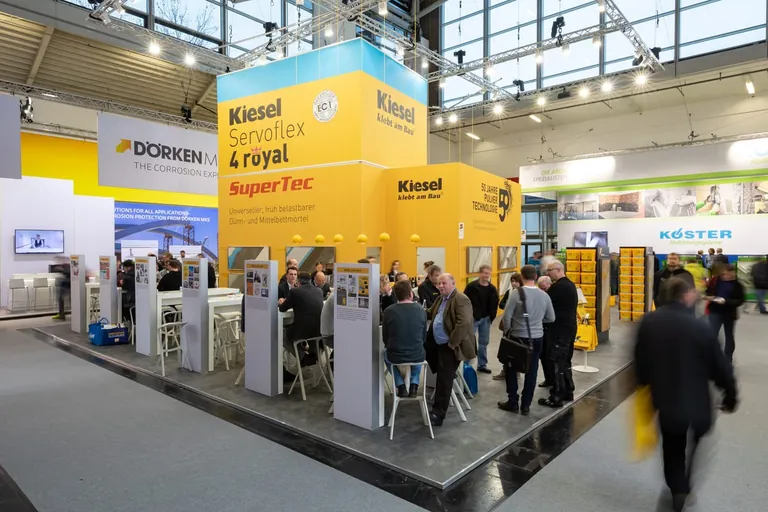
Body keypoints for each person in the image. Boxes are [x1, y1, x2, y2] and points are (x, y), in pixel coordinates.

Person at [634, 278, 738, 512]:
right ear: (685, 296)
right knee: (696, 445)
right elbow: (720, 366)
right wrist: (730, 395)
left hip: (667, 401)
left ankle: (677, 486)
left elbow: (640, 360)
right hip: (698, 402)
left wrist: (644, 388)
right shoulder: (701, 327)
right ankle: (686, 480)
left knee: (672, 449)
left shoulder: (649, 322)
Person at [497, 265, 555, 416]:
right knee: (532, 370)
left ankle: (512, 402)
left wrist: (508, 332)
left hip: (517, 337)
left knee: (511, 369)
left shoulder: (516, 293)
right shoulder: (544, 295)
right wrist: (537, 322)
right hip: (537, 338)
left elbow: (507, 316)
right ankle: (526, 405)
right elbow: (551, 318)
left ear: (522, 277)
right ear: (536, 277)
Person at [425, 273, 476, 426]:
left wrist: (453, 343)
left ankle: (438, 413)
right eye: (439, 283)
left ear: (452, 284)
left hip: (451, 346)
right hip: (438, 344)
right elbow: (431, 312)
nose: (440, 286)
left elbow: (464, 323)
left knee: (444, 378)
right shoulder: (441, 298)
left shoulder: (461, 299)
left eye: (444, 283)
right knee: (440, 372)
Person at [539, 260, 577, 408]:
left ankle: (556, 397)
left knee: (556, 362)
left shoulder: (558, 287)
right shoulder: (570, 285)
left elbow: (545, 306)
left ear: (558, 270)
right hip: (569, 329)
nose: (548, 274)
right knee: (565, 361)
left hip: (559, 331)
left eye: (549, 271)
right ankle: (568, 391)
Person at [382, 281, 428, 398]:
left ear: (396, 295)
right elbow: (423, 337)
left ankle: (400, 385)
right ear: (411, 293)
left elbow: (385, 338)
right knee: (420, 351)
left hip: (395, 355)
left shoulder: (388, 311)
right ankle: (414, 385)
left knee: (385, 355)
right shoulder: (420, 310)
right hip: (416, 355)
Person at [279, 271, 324, 366]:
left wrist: (282, 302)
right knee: (299, 329)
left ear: (298, 282)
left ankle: (302, 356)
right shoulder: (319, 291)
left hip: (302, 331)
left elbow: (282, 308)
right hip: (318, 330)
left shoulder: (295, 291)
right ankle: (312, 354)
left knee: (280, 333)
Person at [705, 264, 745, 364]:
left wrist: (726, 301)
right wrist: (710, 296)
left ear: (734, 273)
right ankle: (711, 357)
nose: (726, 276)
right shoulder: (716, 281)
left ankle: (728, 359)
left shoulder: (738, 285)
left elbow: (740, 301)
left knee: (729, 336)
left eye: (728, 274)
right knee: (712, 334)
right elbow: (708, 291)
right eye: (724, 274)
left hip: (729, 313)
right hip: (715, 311)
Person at [463, 264, 499, 375]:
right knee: (469, 341)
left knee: (484, 342)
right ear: (480, 273)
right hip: (473, 318)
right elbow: (464, 301)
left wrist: (491, 316)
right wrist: (469, 314)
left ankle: (482, 365)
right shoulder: (471, 287)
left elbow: (495, 303)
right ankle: (466, 364)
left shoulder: (492, 289)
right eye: (484, 273)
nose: (486, 275)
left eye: (488, 273)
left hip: (486, 318)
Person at [494, 272, 524, 382]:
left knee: (518, 349)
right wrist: (509, 307)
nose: (513, 283)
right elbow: (501, 304)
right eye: (512, 281)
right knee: (507, 348)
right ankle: (505, 370)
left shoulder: (523, 293)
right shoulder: (510, 292)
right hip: (508, 325)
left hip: (518, 325)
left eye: (516, 281)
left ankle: (517, 371)